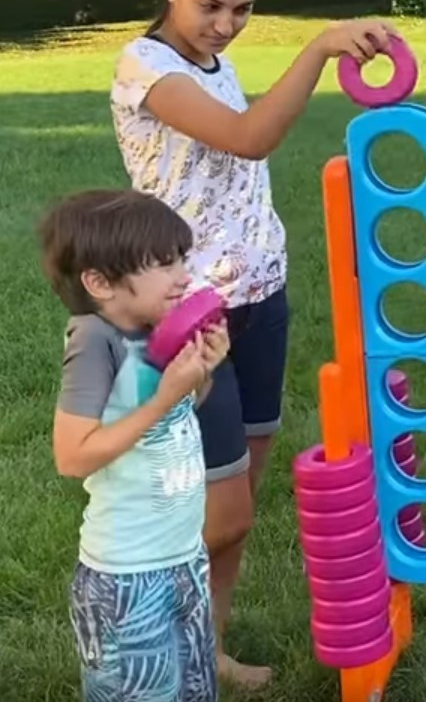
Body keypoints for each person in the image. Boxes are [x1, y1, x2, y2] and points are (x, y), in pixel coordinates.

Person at [109, 0, 397, 688]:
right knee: (221, 510)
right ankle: (145, 641)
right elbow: (248, 139)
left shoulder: (216, 63)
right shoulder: (146, 68)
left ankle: (204, 650)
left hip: (259, 298)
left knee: (233, 510)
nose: (225, 24)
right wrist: (319, 49)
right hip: (189, 316)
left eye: (241, 9)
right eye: (210, 5)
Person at [41, 189, 231, 701]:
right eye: (165, 264)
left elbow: (171, 416)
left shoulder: (152, 331)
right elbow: (72, 455)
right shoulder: (93, 341)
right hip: (127, 576)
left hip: (182, 556)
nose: (184, 276)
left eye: (182, 260)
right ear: (100, 283)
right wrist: (165, 396)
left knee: (195, 691)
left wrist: (199, 375)